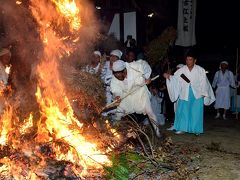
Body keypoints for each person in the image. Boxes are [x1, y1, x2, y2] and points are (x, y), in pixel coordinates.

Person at [163, 51, 215, 135]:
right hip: (185, 93)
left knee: (196, 112)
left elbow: (204, 82)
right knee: (183, 111)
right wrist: (169, 77)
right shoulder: (181, 70)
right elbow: (175, 79)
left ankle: (196, 130)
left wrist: (203, 93)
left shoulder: (200, 70)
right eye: (187, 60)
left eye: (190, 59)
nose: (188, 61)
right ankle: (182, 128)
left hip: (197, 93)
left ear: (195, 60)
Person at [110, 60, 161, 137]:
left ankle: (158, 133)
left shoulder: (135, 67)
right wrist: (117, 96)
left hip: (140, 93)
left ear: (124, 71)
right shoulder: (114, 79)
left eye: (119, 75)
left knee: (149, 111)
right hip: (127, 96)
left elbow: (145, 65)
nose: (117, 77)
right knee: (118, 113)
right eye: (115, 75)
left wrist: (147, 77)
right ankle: (114, 135)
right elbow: (116, 90)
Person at [101, 49, 122, 117]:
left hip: (114, 91)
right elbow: (100, 75)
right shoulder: (105, 64)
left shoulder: (120, 68)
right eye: (111, 56)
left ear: (118, 59)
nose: (113, 58)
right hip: (102, 89)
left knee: (117, 108)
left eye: (115, 57)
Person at [167, 63, 184, 131]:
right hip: (177, 97)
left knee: (181, 112)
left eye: (179, 68)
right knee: (176, 111)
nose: (177, 70)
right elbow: (173, 81)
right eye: (176, 68)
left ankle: (182, 127)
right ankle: (175, 125)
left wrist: (169, 76)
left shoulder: (184, 76)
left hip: (183, 97)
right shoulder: (176, 76)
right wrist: (169, 76)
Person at [0, 48, 11, 114]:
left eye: (9, 57)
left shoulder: (5, 68)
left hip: (3, 94)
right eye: (6, 56)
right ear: (1, 56)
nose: (7, 59)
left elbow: (5, 82)